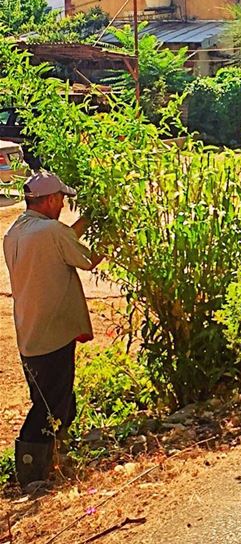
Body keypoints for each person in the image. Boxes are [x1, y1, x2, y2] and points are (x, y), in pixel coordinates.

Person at [3, 171, 102, 489]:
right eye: (60, 198)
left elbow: (63, 242)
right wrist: (112, 237)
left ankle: (54, 459)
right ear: (48, 200)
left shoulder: (17, 230)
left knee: (56, 400)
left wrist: (88, 219)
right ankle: (31, 475)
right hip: (52, 335)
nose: (63, 204)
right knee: (49, 408)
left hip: (29, 333)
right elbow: (86, 259)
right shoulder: (52, 232)